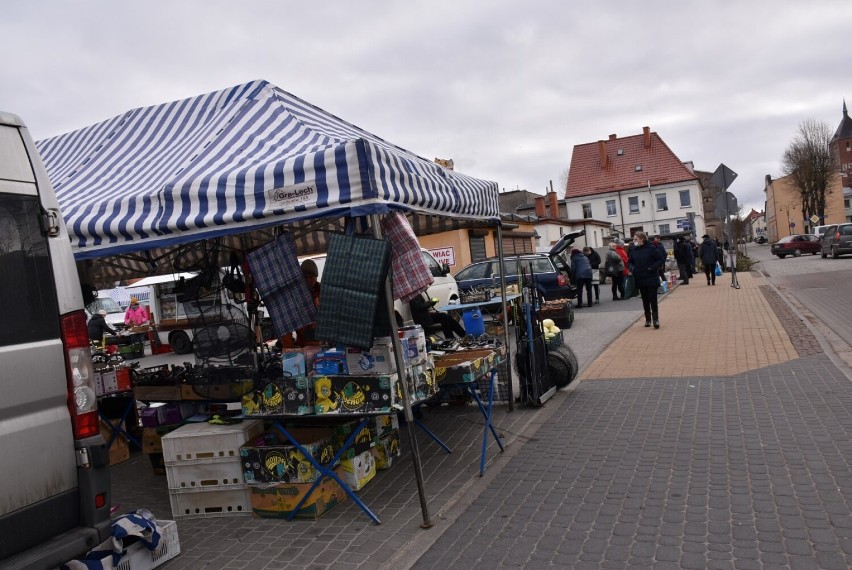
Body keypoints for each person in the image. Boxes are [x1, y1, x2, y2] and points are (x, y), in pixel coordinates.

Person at [627, 231, 665, 329]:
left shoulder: (651, 248)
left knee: (653, 299)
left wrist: (652, 268)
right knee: (645, 300)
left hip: (651, 277)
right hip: (640, 277)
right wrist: (633, 268)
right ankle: (648, 319)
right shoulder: (634, 250)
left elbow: (660, 259)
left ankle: (655, 319)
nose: (633, 241)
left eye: (635, 239)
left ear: (641, 239)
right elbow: (629, 262)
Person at [295, 259, 322, 346]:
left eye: (311, 277)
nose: (308, 280)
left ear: (316, 277)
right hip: (303, 343)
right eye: (305, 277)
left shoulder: (323, 292)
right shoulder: (297, 295)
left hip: (322, 341)